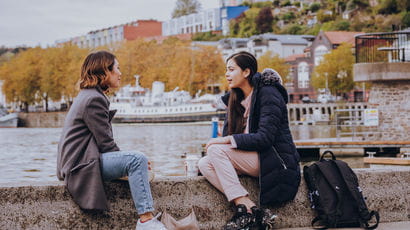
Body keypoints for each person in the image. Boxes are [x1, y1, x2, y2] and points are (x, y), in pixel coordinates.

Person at [57, 50, 167, 230]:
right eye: (117, 68)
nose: (120, 73)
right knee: (136, 159)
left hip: (78, 162)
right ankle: (146, 221)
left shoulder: (88, 95)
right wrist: (132, 163)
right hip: (81, 166)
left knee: (135, 161)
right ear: (104, 72)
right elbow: (106, 144)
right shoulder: (94, 99)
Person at [198, 51, 301, 230]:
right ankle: (249, 207)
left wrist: (224, 140)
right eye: (226, 70)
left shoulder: (268, 94)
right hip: (255, 159)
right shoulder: (234, 99)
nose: (226, 74)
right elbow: (232, 139)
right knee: (204, 163)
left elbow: (265, 139)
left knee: (215, 149)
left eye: (231, 69)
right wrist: (225, 140)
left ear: (246, 72)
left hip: (276, 161)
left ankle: (245, 212)